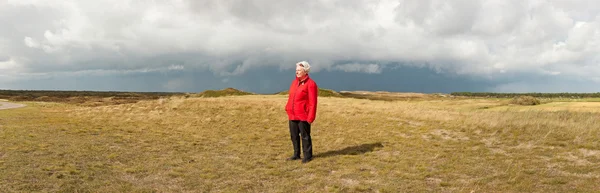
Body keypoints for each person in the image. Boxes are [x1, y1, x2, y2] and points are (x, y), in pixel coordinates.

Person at [285, 61, 318, 163]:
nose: (297, 72)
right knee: (293, 136)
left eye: (299, 70)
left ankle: (308, 156)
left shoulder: (311, 84)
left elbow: (313, 102)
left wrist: (310, 117)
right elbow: (291, 97)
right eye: (296, 70)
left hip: (303, 115)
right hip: (292, 114)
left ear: (305, 71)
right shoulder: (294, 82)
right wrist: (287, 108)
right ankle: (296, 154)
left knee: (305, 136)